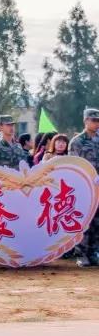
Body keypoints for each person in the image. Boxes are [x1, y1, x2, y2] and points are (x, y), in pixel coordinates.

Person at [69, 109, 99, 268]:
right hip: (84, 188)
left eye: (98, 121)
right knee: (84, 221)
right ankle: (81, 254)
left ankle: (93, 253)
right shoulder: (77, 142)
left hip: (98, 187)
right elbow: (73, 166)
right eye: (93, 120)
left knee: (97, 222)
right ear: (85, 121)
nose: (96, 123)